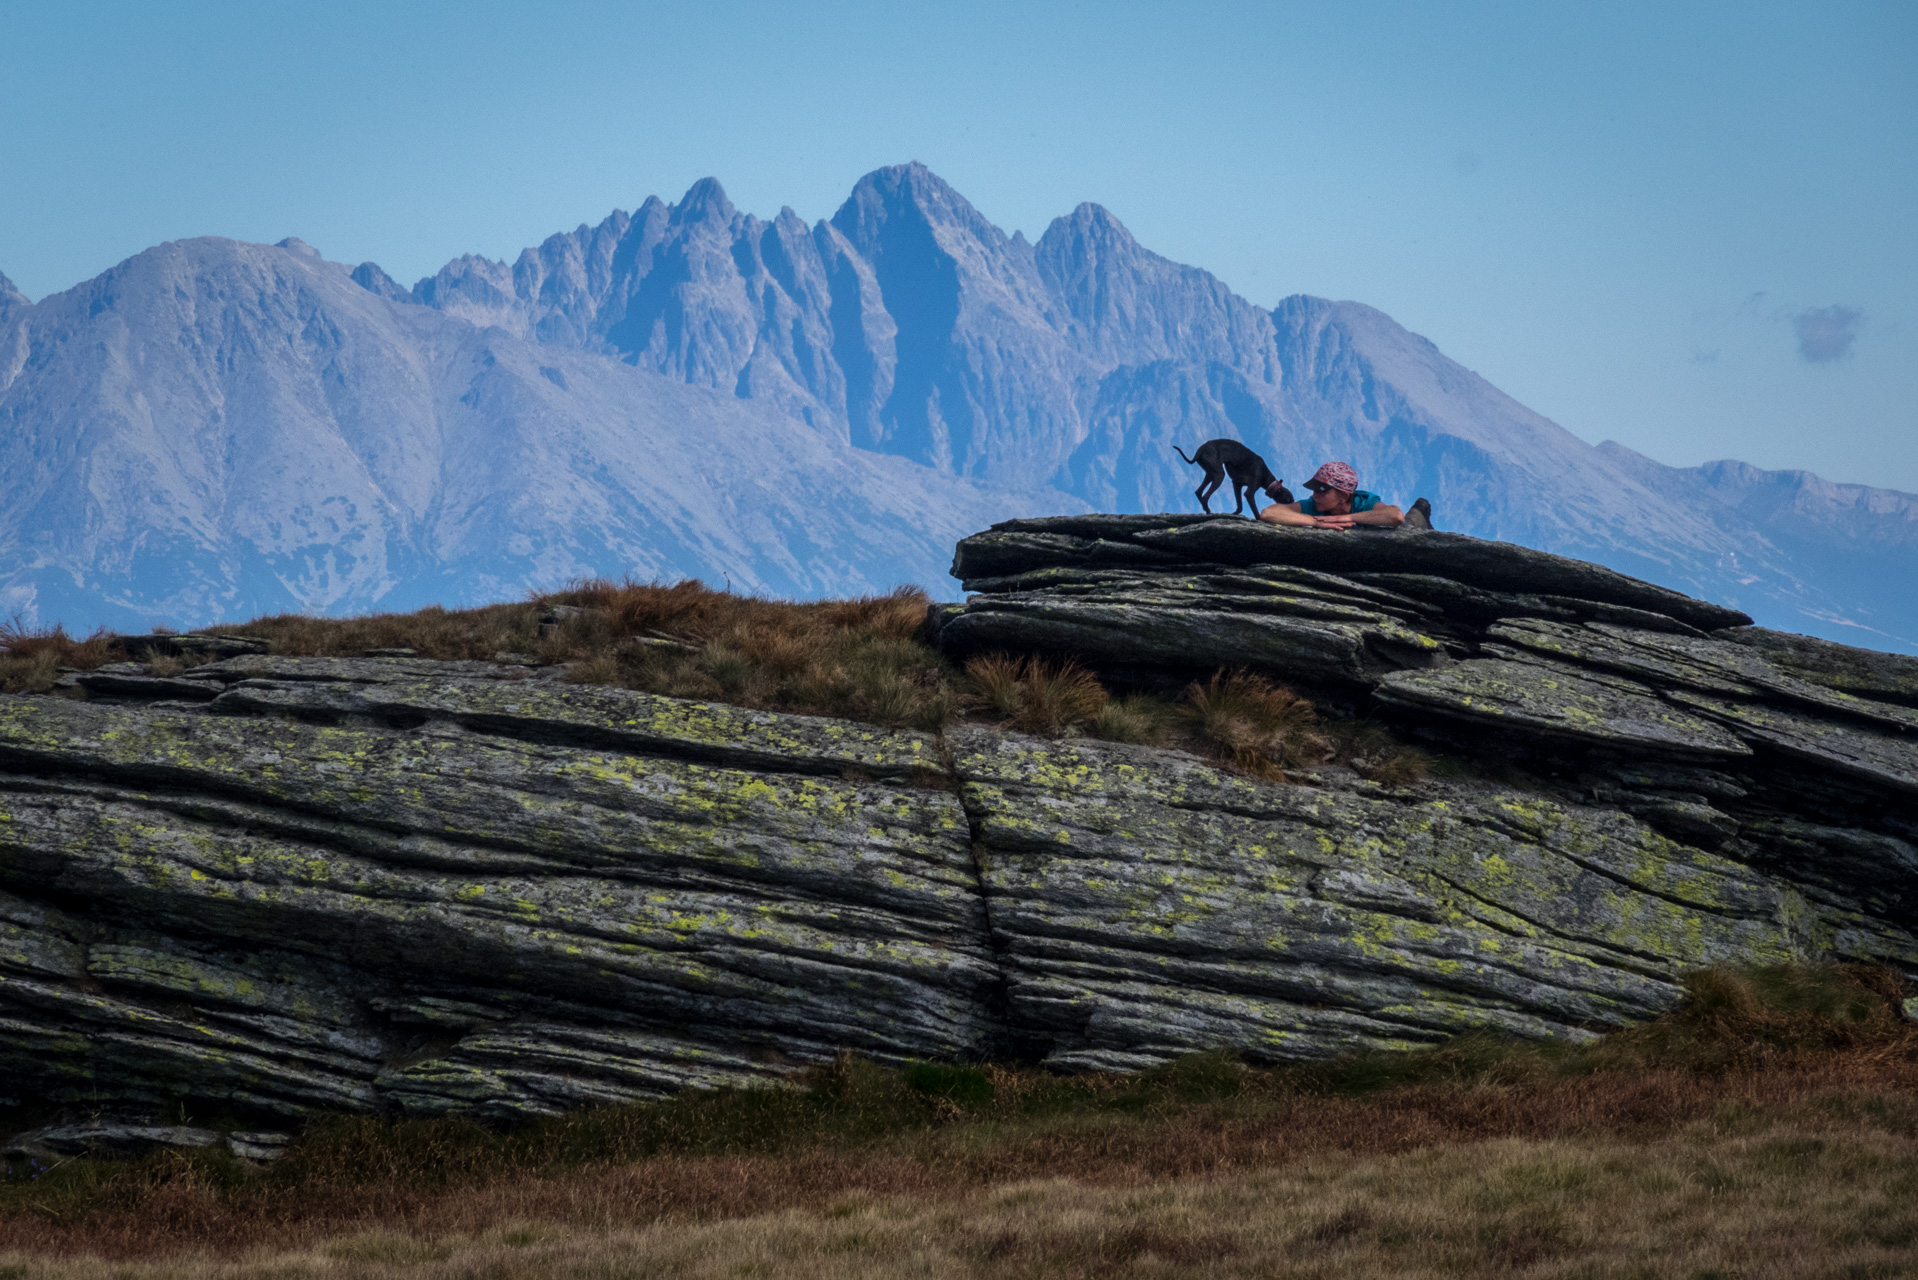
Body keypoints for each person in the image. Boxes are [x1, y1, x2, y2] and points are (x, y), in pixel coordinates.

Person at [1258, 461, 1404, 530]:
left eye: (1322, 491)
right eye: (1314, 490)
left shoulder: (1365, 502)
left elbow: (1395, 516)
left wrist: (1347, 518)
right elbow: (1268, 513)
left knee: (1414, 520)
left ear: (1343, 496)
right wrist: (1315, 522)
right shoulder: (1314, 506)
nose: (1315, 495)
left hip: (1409, 525)